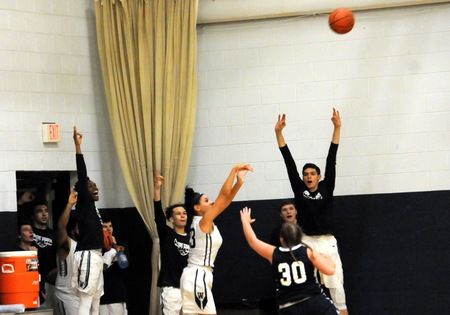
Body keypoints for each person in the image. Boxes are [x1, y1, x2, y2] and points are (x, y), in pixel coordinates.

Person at [275, 108, 348, 314]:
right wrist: (279, 134)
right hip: (306, 241)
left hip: (327, 241)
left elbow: (331, 157)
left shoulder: (327, 187)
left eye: (312, 174)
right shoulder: (299, 190)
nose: (308, 177)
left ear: (319, 176)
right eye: (306, 174)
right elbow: (288, 162)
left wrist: (337, 127)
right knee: (308, 289)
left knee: (337, 288)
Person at [181, 163, 253, 315]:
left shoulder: (205, 221)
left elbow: (225, 201)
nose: (212, 202)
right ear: (197, 208)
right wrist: (233, 171)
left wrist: (239, 183)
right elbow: (223, 196)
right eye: (206, 201)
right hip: (197, 275)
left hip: (198, 276)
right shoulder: (203, 222)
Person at [240, 207, 339, 315]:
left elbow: (252, 241)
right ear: (299, 236)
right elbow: (330, 270)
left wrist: (245, 222)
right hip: (313, 301)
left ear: (281, 238)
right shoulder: (308, 252)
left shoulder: (274, 253)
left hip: (288, 307)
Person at [72, 126, 105, 315]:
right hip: (87, 255)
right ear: (83, 191)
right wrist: (78, 147)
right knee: (86, 300)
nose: (95, 188)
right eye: (90, 186)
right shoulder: (83, 204)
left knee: (95, 299)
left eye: (95, 185)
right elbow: (82, 173)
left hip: (97, 255)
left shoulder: (93, 209)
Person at [153, 172, 190, 315]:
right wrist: (157, 189)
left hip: (188, 288)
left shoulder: (192, 237)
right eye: (178, 213)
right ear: (171, 219)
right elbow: (158, 216)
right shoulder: (167, 234)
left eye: (184, 213)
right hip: (171, 288)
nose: (182, 215)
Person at [54, 189, 80, 315]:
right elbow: (60, 227)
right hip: (67, 296)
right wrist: (70, 205)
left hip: (82, 296)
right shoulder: (67, 243)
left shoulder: (87, 246)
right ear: (74, 229)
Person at [100, 217, 128, 315]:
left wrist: (114, 246)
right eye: (105, 226)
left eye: (110, 226)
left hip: (118, 294)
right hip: (102, 297)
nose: (108, 229)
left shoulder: (120, 245)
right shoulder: (96, 247)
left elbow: (124, 265)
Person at [31, 203, 57, 308]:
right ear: (33, 216)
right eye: (39, 211)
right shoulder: (29, 232)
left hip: (52, 279)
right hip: (36, 279)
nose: (44, 214)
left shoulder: (54, 234)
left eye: (46, 210)